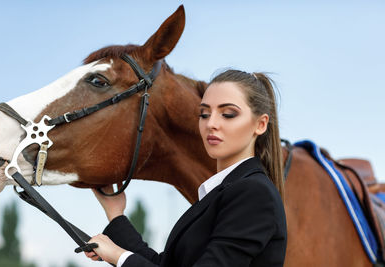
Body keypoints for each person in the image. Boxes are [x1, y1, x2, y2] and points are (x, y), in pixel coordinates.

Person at [85, 69, 287, 266]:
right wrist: (115, 213)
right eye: (204, 114)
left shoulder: (254, 193)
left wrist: (119, 256)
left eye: (228, 114)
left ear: (260, 124)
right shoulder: (221, 193)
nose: (211, 124)